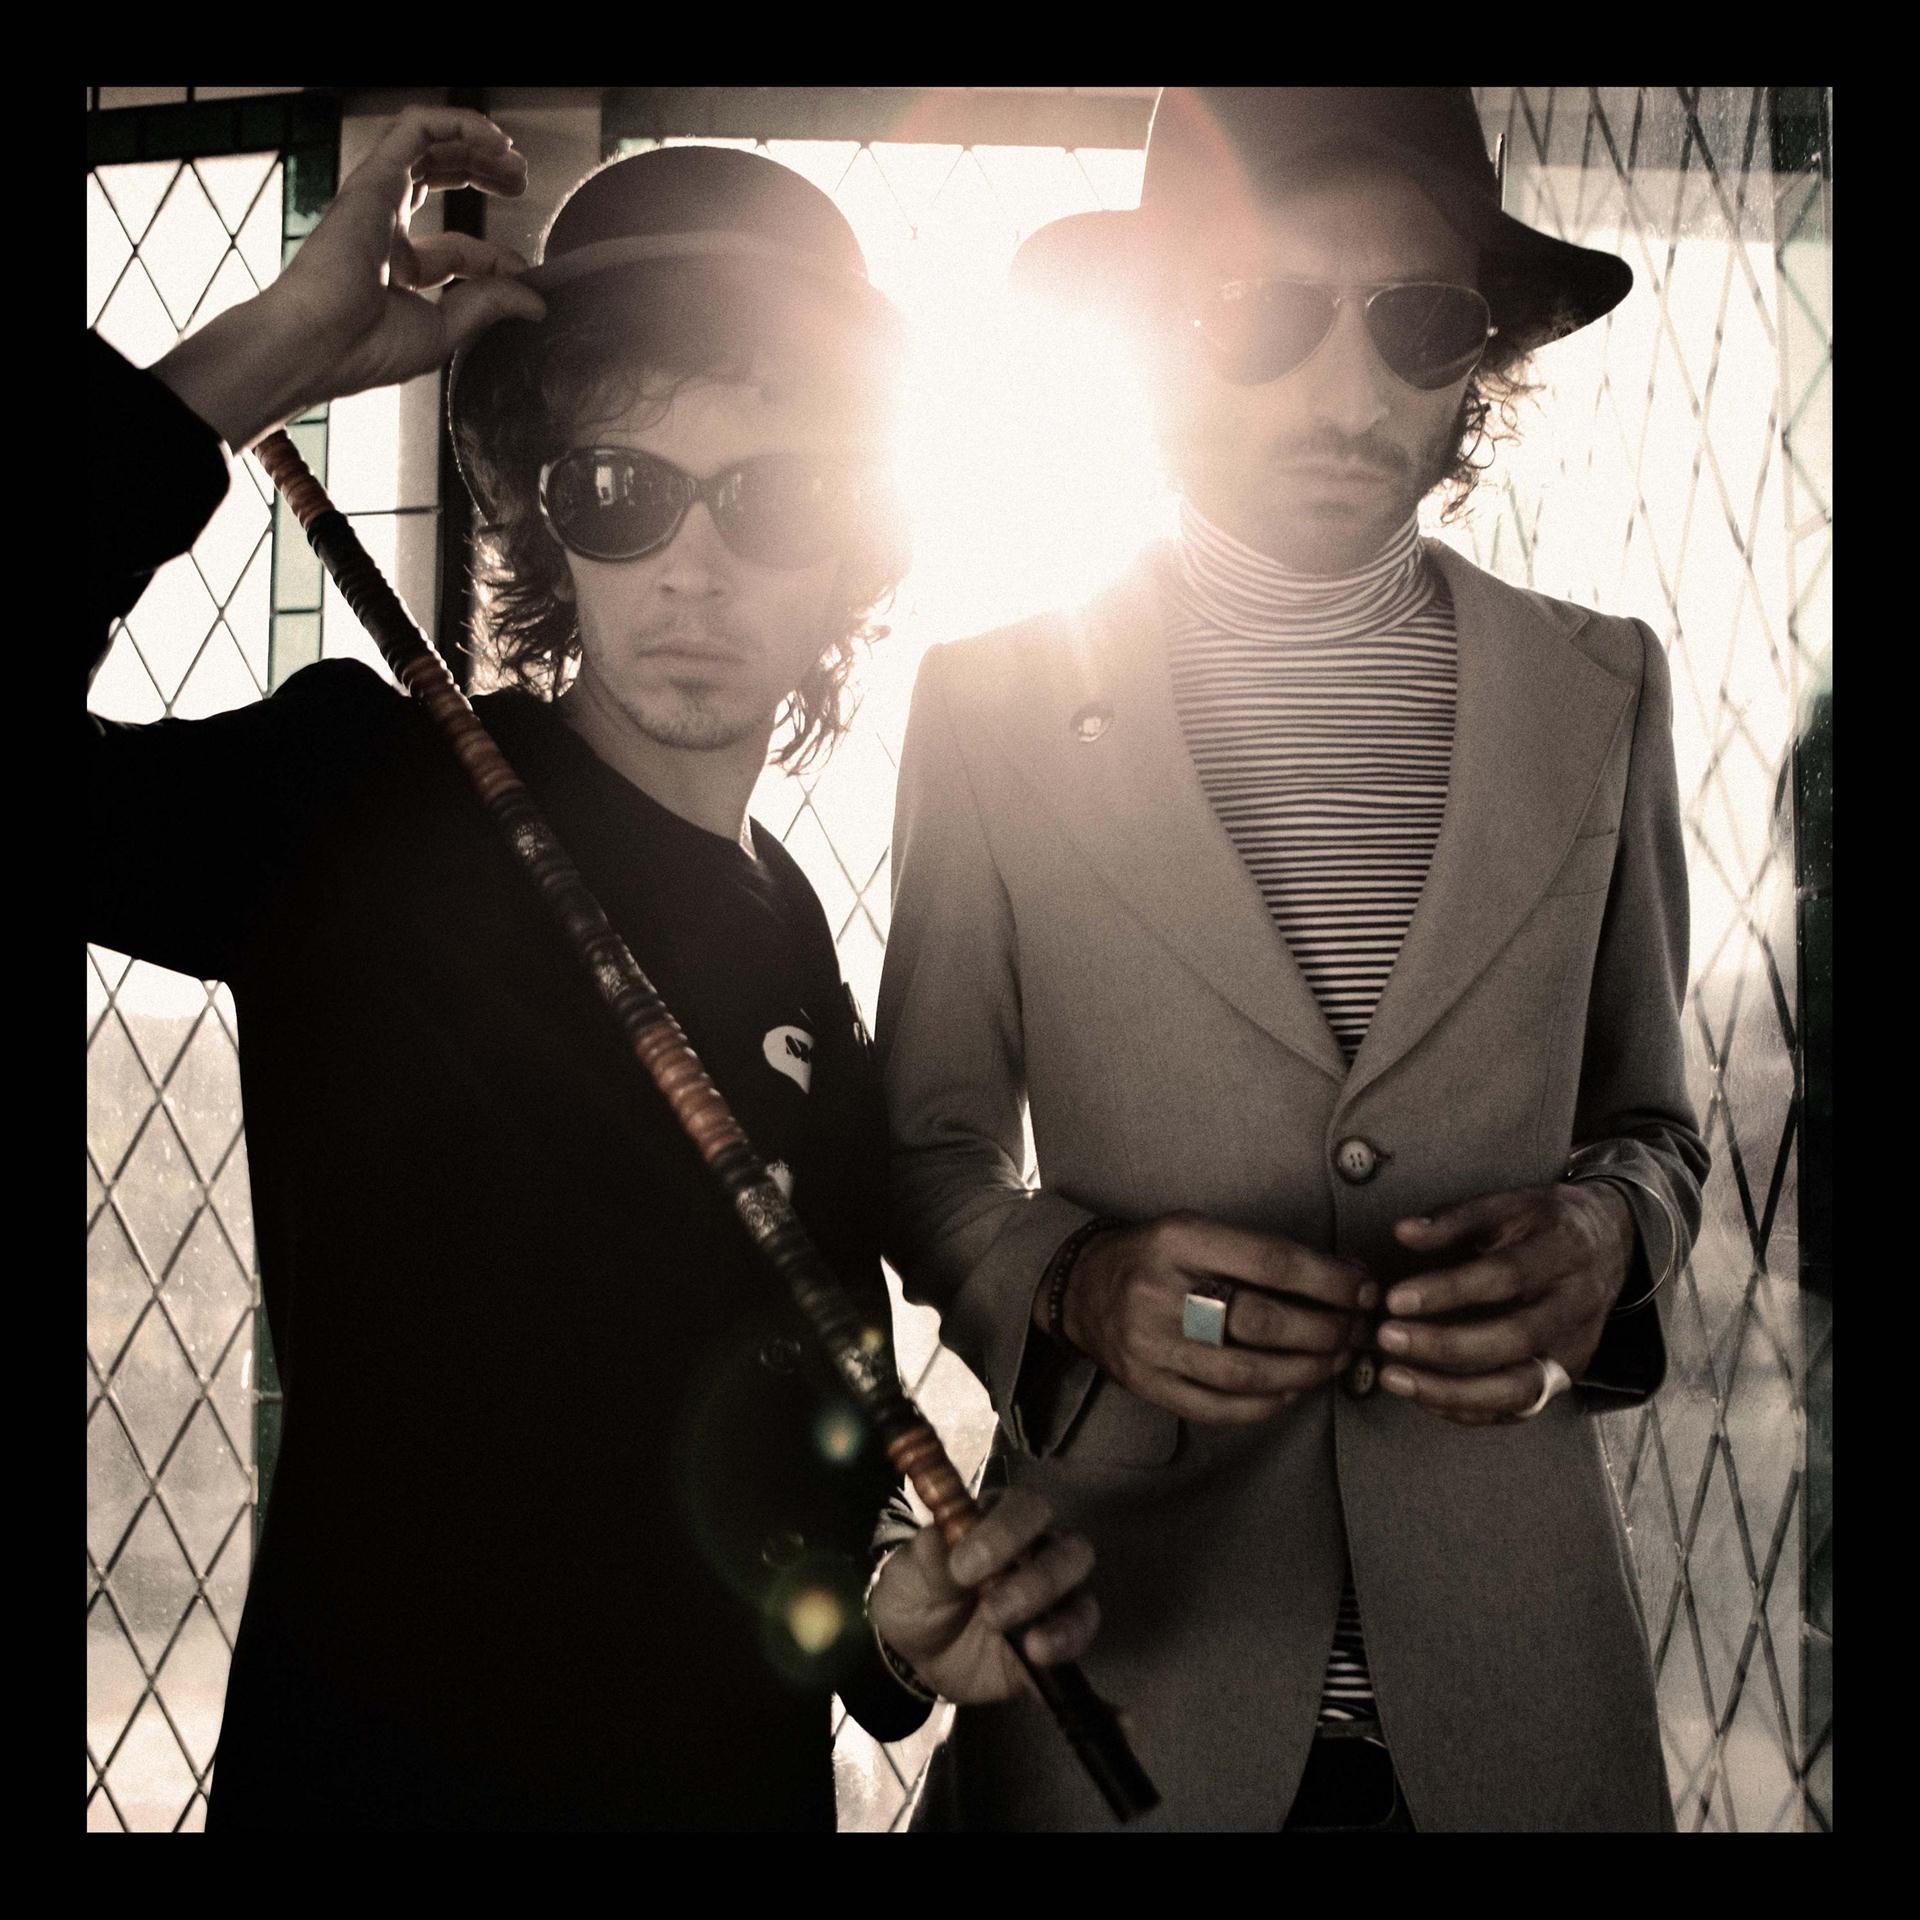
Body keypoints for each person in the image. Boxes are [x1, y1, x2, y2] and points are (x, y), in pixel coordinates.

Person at [88, 106, 1097, 1832]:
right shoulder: (366, 800)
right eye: (620, 489)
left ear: (858, 538)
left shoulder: (788, 926)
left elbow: (787, 1440)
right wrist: (270, 353)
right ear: (544, 515)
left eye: (773, 495)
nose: (693, 565)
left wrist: (889, 1611)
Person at [878, 87, 1710, 1832]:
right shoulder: (986, 703)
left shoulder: (1605, 689)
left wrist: (1603, 1238)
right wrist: (1079, 1286)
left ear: (1479, 359)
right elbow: (928, 1153)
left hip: (1516, 1694)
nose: (1347, 393)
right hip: (1130, 1668)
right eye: (1262, 311)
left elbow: (1651, 1125)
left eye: (1417, 321)